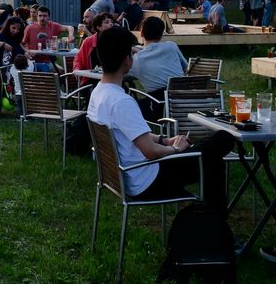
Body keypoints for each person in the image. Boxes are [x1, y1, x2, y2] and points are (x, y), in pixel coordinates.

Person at [87, 25, 235, 213]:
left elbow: (133, 137)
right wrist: (175, 148)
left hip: (127, 175)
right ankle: (215, 225)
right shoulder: (121, 101)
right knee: (222, 141)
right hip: (147, 179)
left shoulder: (98, 93)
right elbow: (150, 152)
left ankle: (212, 223)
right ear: (127, 61)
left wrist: (165, 140)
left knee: (210, 154)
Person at [129, 16, 187, 120]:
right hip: (183, 103)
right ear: (162, 34)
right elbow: (185, 68)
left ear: (141, 33)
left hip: (159, 109)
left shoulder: (137, 60)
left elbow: (121, 74)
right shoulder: (171, 46)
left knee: (129, 102)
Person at [21, 6, 75, 71]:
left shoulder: (53, 26)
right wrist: (27, 51)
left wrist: (71, 35)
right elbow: (21, 44)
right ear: (37, 16)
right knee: (47, 71)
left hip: (48, 61)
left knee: (62, 72)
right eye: (40, 16)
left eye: (44, 16)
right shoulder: (29, 28)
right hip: (33, 62)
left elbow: (70, 27)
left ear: (49, 17)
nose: (42, 18)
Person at [73, 13, 114, 82]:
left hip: (112, 79)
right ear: (98, 27)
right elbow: (78, 59)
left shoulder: (116, 40)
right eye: (107, 22)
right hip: (91, 80)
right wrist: (77, 69)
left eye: (112, 22)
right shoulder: (89, 42)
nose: (111, 24)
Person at [8, 53, 35, 117]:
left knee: (19, 105)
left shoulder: (13, 70)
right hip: (28, 91)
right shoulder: (30, 69)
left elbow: (13, 66)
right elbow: (30, 63)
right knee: (28, 104)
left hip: (18, 92)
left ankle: (20, 116)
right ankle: (28, 116)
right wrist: (27, 57)